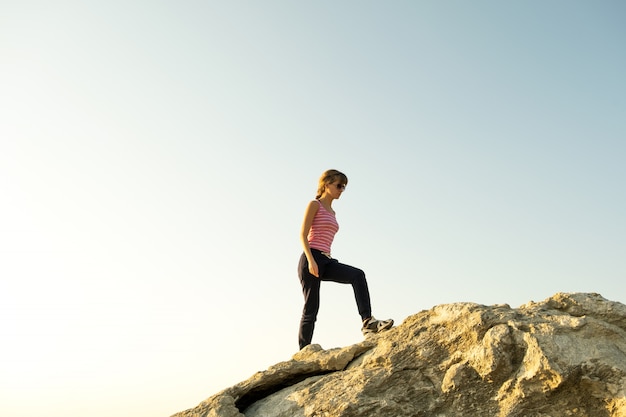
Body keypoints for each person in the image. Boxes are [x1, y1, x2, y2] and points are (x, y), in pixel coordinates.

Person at [297, 169, 393, 350]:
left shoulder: (332, 212)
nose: (341, 190)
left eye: (344, 187)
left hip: (327, 259)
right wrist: (311, 260)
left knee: (357, 275)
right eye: (338, 185)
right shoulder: (314, 204)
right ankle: (303, 351)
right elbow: (302, 235)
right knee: (311, 308)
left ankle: (368, 322)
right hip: (312, 257)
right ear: (326, 184)